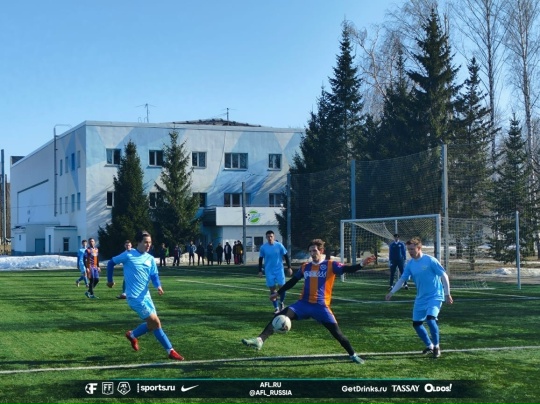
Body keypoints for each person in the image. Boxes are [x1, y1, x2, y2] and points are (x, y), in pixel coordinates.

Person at [242, 238, 376, 364]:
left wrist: (361, 264)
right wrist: (278, 292)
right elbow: (293, 281)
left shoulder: (331, 264)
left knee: (337, 333)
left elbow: (348, 269)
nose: (312, 253)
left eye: (315, 250)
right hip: (303, 304)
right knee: (279, 316)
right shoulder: (305, 267)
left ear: (321, 251)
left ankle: (353, 355)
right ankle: (260, 340)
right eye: (310, 251)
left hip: (321, 306)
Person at [106, 230, 184, 361]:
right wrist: (109, 280)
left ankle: (132, 335)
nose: (148, 245)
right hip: (134, 298)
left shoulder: (150, 258)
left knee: (152, 324)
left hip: (146, 297)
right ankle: (170, 351)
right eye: (146, 242)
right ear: (139, 242)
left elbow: (154, 275)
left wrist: (158, 286)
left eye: (150, 242)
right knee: (156, 322)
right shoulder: (129, 255)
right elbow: (111, 263)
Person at [385, 237, 454, 359]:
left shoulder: (430, 260)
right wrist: (392, 292)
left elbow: (444, 275)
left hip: (435, 296)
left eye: (412, 249)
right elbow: (402, 279)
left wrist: (447, 293)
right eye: (408, 249)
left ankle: (437, 346)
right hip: (421, 298)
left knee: (431, 319)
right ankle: (430, 346)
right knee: (416, 324)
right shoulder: (410, 264)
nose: (410, 252)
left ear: (419, 248)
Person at [258, 230, 293, 313]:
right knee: (272, 289)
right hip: (269, 271)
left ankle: (281, 302)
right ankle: (276, 308)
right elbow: (260, 259)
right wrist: (260, 270)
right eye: (268, 236)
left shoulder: (279, 245)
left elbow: (286, 256)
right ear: (266, 237)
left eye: (271, 236)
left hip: (279, 270)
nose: (270, 238)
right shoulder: (263, 247)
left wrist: (289, 267)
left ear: (274, 237)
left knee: (282, 287)